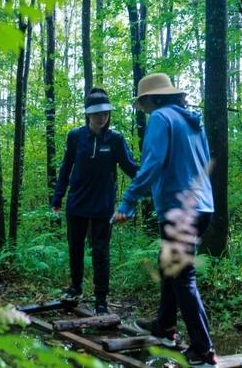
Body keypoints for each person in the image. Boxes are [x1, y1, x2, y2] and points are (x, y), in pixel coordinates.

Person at [114, 73, 218, 367]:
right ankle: (165, 327)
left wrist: (128, 201)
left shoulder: (161, 118)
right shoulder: (191, 120)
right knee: (168, 266)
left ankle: (202, 349)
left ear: (153, 99)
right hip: (202, 205)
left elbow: (153, 163)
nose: (142, 107)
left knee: (183, 277)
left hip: (179, 207)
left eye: (143, 101)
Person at [52, 88, 139, 315]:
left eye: (106, 113)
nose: (102, 117)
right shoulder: (75, 137)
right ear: (88, 114)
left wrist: (153, 179)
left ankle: (101, 299)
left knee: (100, 252)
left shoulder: (116, 139)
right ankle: (75, 288)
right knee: (75, 248)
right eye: (97, 113)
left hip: (102, 206)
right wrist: (57, 197)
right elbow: (65, 168)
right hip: (77, 203)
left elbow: (131, 168)